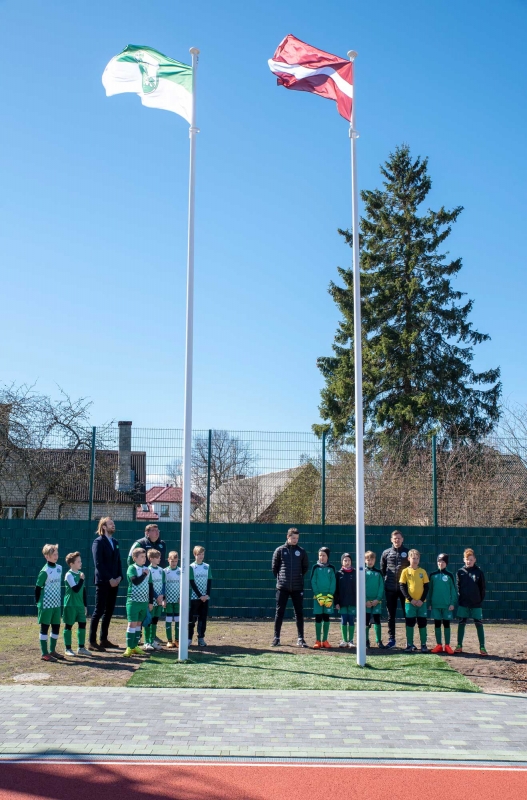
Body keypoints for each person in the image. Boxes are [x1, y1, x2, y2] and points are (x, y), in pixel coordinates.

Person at [271, 527, 309, 648]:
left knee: (299, 613)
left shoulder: (301, 551)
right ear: (288, 537)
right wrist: (282, 579)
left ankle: (301, 639)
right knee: (279, 612)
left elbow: (305, 568)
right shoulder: (280, 550)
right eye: (293, 538)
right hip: (282, 587)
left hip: (298, 588)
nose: (295, 540)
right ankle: (276, 638)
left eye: (297, 538)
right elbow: (274, 568)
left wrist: (297, 578)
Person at [89, 517, 123, 651]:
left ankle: (103, 639)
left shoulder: (115, 542)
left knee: (109, 611)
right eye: (110, 524)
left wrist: (119, 577)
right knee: (99, 611)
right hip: (103, 582)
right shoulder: (98, 542)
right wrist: (110, 579)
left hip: (115, 582)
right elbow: (98, 563)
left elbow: (119, 561)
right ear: (103, 527)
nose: (113, 525)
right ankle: (92, 641)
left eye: (114, 523)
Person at [381, 530, 412, 648]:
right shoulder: (386, 553)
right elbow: (383, 569)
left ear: (402, 539)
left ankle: (409, 641)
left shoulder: (407, 552)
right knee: (391, 616)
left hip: (404, 590)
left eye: (398, 538)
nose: (397, 540)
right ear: (391, 540)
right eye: (395, 539)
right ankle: (391, 640)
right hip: (390, 589)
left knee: (407, 614)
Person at [35, 543, 65, 662]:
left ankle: (52, 650)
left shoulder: (59, 568)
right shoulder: (44, 571)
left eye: (57, 553)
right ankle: (44, 653)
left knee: (56, 627)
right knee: (45, 627)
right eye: (53, 554)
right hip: (46, 604)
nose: (56, 556)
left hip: (56, 604)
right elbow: (37, 588)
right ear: (47, 556)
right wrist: (38, 603)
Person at [455, 548, 487, 656]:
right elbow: (458, 587)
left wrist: (478, 600)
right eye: (467, 559)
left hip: (476, 604)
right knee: (461, 623)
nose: (469, 561)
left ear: (475, 560)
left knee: (478, 623)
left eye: (471, 559)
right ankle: (459, 645)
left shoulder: (479, 572)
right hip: (463, 603)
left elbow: (482, 589)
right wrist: (461, 599)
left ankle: (482, 646)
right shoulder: (460, 572)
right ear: (464, 560)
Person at [123, 548, 154, 657]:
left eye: (145, 556)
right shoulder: (132, 568)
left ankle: (135, 646)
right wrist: (144, 574)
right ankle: (128, 647)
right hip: (133, 601)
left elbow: (150, 586)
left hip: (143, 602)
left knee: (139, 624)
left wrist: (150, 602)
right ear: (135, 558)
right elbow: (135, 581)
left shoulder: (147, 569)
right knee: (132, 623)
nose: (144, 559)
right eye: (141, 556)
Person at [399, 549, 429, 652]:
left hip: (421, 603)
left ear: (419, 559)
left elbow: (427, 587)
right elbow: (402, 586)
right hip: (410, 603)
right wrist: (410, 599)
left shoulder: (423, 571)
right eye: (413, 558)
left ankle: (424, 645)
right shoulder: (405, 571)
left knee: (422, 623)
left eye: (417, 558)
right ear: (408, 559)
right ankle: (409, 644)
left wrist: (421, 600)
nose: (415, 560)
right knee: (410, 623)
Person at [428, 553, 457, 654]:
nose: (441, 563)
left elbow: (453, 590)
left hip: (447, 605)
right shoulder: (432, 575)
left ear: (446, 563)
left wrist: (452, 603)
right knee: (437, 624)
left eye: (443, 562)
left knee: (446, 624)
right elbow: (430, 590)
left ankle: (447, 645)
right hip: (435, 605)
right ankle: (439, 645)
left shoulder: (449, 575)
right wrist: (430, 603)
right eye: (439, 561)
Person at [63, 551, 90, 657]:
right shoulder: (69, 575)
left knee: (82, 624)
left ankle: (81, 647)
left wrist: (85, 605)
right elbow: (75, 589)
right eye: (78, 561)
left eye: (80, 561)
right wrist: (82, 579)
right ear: (71, 564)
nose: (81, 563)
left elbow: (83, 591)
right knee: (68, 625)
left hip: (79, 605)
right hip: (70, 604)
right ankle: (68, 648)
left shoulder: (80, 574)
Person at [311, 547, 337, 649]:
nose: (322, 557)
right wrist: (319, 596)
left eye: (324, 555)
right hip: (318, 598)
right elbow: (313, 582)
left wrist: (330, 597)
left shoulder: (331, 568)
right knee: (318, 618)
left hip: (328, 598)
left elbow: (333, 582)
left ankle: (325, 640)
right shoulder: (315, 568)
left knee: (326, 618)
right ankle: (318, 641)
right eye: (320, 555)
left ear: (327, 556)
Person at [189, 545, 212, 648]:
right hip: (194, 598)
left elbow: (209, 581)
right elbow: (192, 582)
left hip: (204, 598)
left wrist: (206, 595)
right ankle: (189, 638)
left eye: (202, 554)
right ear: (195, 555)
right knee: (192, 619)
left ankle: (201, 638)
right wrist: (199, 595)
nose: (201, 556)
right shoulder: (191, 567)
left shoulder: (207, 566)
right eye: (199, 554)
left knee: (203, 619)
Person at [143, 549, 165, 652]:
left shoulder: (161, 570)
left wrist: (162, 596)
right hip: (151, 599)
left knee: (155, 620)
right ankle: (146, 641)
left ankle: (152, 640)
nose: (159, 559)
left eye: (159, 557)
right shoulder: (148, 570)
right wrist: (156, 596)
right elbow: (150, 586)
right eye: (157, 557)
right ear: (151, 559)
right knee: (149, 620)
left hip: (159, 600)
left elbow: (164, 583)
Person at [335, 552, 355, 648]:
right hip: (342, 602)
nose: (347, 562)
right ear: (342, 561)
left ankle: (351, 640)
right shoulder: (338, 574)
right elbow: (336, 589)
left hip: (352, 602)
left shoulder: (355, 573)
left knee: (351, 620)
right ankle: (344, 640)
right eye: (345, 560)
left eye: (349, 560)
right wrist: (337, 602)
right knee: (343, 620)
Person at [365, 551, 385, 649]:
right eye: (368, 559)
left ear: (375, 560)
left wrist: (378, 599)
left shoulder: (378, 572)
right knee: (366, 621)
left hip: (377, 602)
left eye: (372, 559)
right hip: (366, 603)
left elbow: (381, 586)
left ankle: (378, 640)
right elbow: (360, 587)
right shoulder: (363, 572)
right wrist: (365, 600)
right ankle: (366, 640)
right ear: (365, 560)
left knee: (377, 621)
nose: (370, 561)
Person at [164, 550, 181, 649]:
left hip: (178, 601)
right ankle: (169, 640)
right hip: (168, 601)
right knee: (169, 620)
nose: (174, 563)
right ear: (168, 560)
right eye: (172, 561)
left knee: (178, 620)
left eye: (175, 561)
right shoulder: (165, 571)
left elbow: (183, 585)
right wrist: (164, 599)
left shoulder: (180, 571)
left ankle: (177, 640)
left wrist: (180, 597)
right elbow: (163, 585)